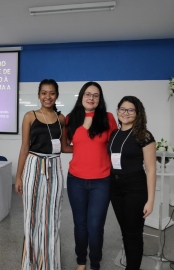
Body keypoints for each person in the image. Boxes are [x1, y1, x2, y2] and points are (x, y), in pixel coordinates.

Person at [15, 79, 71, 270]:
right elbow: (24, 148)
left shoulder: (61, 118)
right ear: (38, 95)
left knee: (52, 217)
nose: (48, 97)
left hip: (54, 167)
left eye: (52, 93)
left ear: (57, 95)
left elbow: (64, 147)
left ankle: (49, 264)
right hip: (33, 165)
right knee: (31, 216)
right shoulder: (30, 116)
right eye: (44, 93)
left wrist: (91, 146)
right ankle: (30, 264)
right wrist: (18, 176)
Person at [65, 81, 118, 270]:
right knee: (80, 225)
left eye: (96, 95)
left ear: (100, 99)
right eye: (88, 94)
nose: (91, 98)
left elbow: (116, 146)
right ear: (81, 96)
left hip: (101, 181)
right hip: (76, 180)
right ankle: (81, 261)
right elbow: (71, 143)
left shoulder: (108, 118)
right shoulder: (71, 118)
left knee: (95, 227)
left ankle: (95, 263)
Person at [108, 96, 156, 270]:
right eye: (122, 109)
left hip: (135, 188)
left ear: (137, 113)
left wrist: (150, 201)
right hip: (115, 188)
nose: (125, 113)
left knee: (133, 233)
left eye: (130, 110)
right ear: (117, 110)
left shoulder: (144, 135)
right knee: (125, 231)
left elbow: (151, 170)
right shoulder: (114, 134)